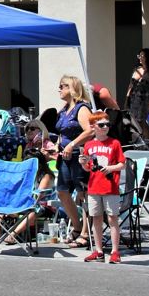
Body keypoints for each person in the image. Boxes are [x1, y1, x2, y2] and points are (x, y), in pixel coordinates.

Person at [55, 75, 95, 247]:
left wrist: (72, 144)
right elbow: (62, 132)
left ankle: (86, 233)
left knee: (82, 194)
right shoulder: (63, 110)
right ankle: (77, 226)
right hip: (64, 156)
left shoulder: (82, 108)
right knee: (62, 191)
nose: (59, 89)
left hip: (79, 156)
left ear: (73, 89)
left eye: (63, 86)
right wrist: (55, 145)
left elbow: (90, 131)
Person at [81, 112, 125, 264]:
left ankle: (115, 251)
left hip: (110, 187)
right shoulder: (89, 145)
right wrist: (82, 163)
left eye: (107, 124)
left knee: (113, 219)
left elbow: (122, 164)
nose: (105, 127)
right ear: (93, 127)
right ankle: (98, 251)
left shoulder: (115, 143)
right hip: (94, 187)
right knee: (96, 219)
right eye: (101, 125)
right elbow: (88, 168)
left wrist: (111, 168)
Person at [124, 48, 149, 139]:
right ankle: (138, 144)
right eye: (139, 55)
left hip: (146, 102)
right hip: (134, 101)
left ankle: (148, 146)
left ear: (148, 58)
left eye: (142, 56)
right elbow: (130, 85)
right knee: (134, 123)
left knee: (145, 124)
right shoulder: (137, 70)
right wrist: (127, 99)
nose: (140, 58)